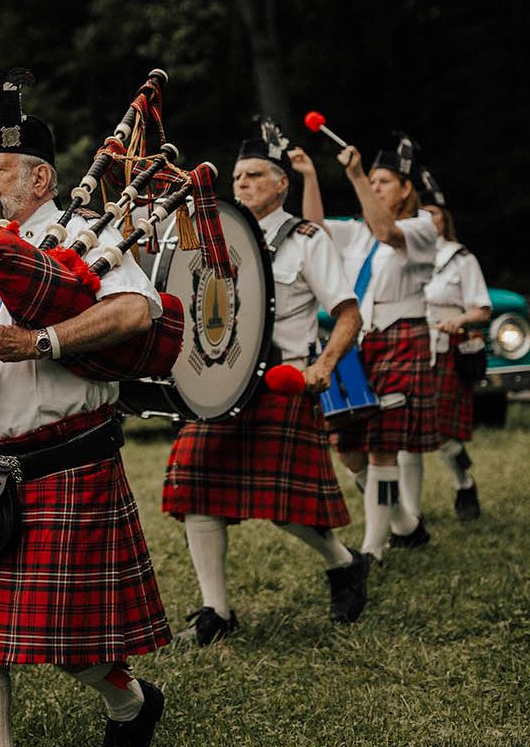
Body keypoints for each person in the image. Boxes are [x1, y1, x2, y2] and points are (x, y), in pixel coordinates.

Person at [0, 71, 171, 747]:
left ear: (40, 177)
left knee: (74, 649)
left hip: (69, 461)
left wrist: (43, 340)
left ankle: (131, 705)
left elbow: (138, 309)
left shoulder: (83, 243)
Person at [162, 123, 367, 644]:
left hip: (282, 381)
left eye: (255, 175)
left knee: (283, 507)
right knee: (193, 485)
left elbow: (347, 314)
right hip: (221, 380)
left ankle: (343, 562)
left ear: (281, 184)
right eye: (237, 177)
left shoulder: (305, 239)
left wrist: (322, 368)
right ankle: (217, 612)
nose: (243, 184)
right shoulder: (217, 235)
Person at [304, 133, 438, 563]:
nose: (376, 187)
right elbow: (315, 231)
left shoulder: (422, 227)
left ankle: (373, 548)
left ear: (405, 189)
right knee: (348, 446)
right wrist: (309, 176)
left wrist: (358, 175)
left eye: (384, 182)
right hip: (360, 344)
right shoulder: (357, 232)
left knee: (382, 446)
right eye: (372, 181)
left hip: (402, 337)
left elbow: (386, 229)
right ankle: (405, 524)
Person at [415, 169, 491, 519]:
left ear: (444, 220)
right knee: (406, 437)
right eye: (422, 213)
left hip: (447, 348)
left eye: (434, 213)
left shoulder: (460, 258)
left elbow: (482, 308)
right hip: (413, 348)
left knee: (444, 434)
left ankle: (463, 481)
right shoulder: (405, 257)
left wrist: (459, 319)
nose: (428, 219)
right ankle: (409, 515)